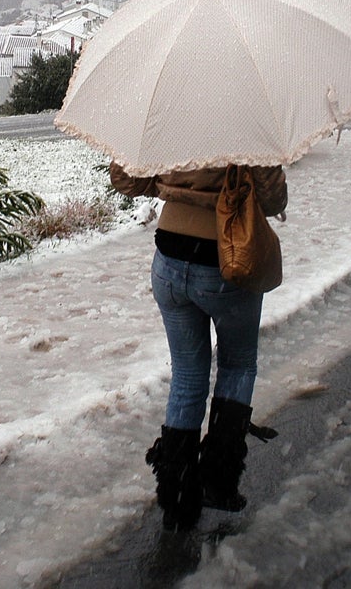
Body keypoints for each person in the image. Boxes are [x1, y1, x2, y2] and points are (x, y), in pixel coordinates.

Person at [110, 161, 287, 531]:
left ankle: (177, 496)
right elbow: (272, 200)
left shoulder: (167, 114)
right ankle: (219, 481)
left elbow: (128, 181)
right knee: (238, 364)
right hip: (226, 259)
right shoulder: (248, 120)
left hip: (169, 261)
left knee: (188, 377)